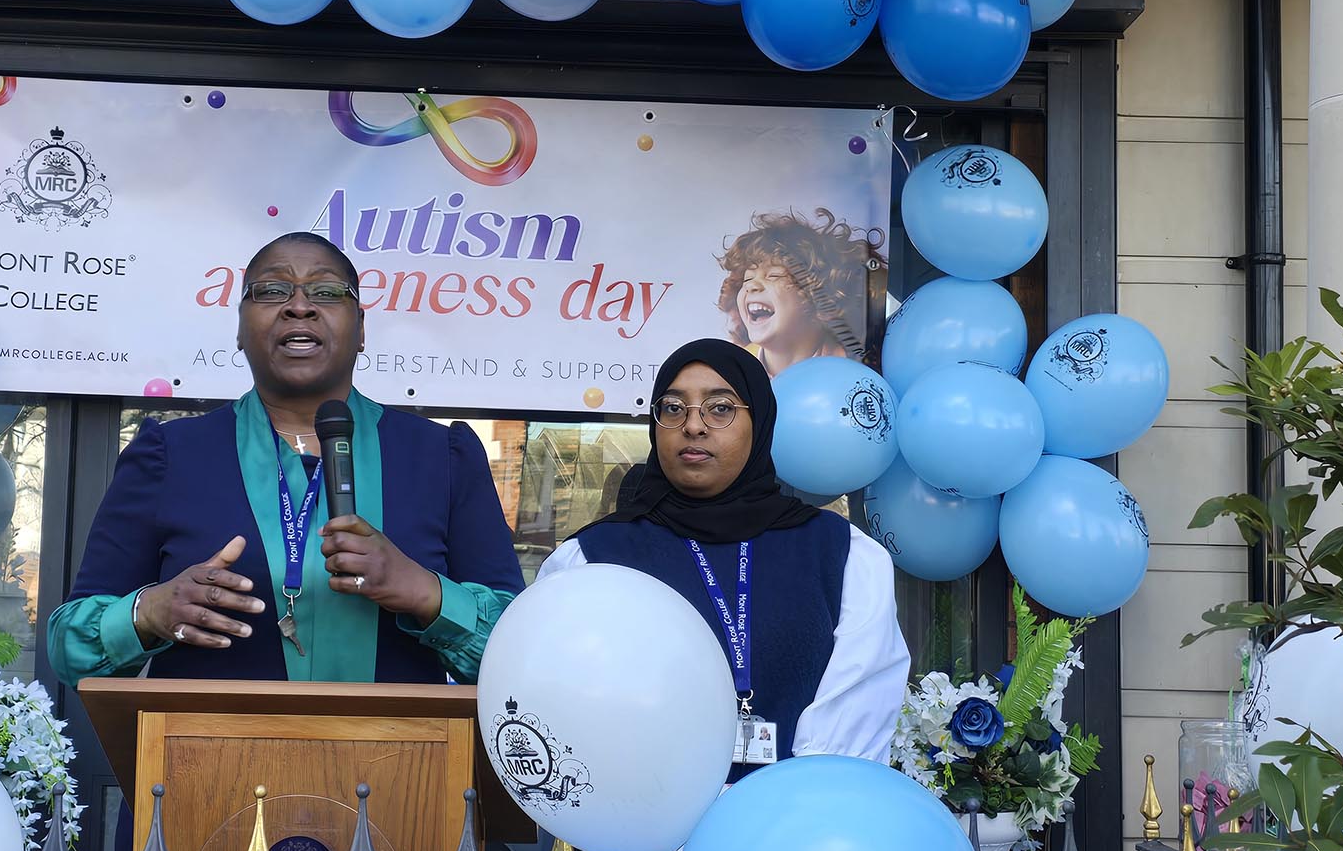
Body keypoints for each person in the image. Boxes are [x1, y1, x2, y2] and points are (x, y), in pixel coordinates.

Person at [48, 231, 526, 688]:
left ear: (361, 329)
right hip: (210, 762)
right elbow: (68, 646)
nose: (300, 306)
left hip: (398, 766)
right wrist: (148, 612)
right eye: (273, 290)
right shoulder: (169, 456)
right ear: (239, 330)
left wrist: (426, 592)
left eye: (327, 291)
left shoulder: (442, 459)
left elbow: (523, 653)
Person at [538, 339, 909, 779]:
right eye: (673, 408)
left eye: (720, 408)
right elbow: (565, 708)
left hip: (798, 826)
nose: (693, 426)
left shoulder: (839, 553)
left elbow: (860, 699)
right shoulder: (594, 560)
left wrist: (792, 809)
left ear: (760, 424)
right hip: (644, 827)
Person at [717, 209, 885, 376]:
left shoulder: (853, 371)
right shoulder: (734, 373)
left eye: (774, 275)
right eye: (747, 279)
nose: (752, 285)